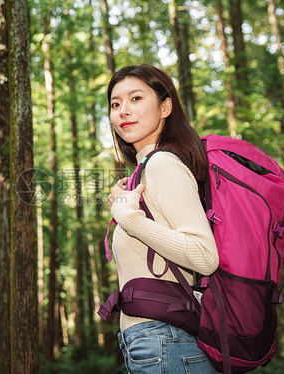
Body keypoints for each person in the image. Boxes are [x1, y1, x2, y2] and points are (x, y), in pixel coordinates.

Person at [106, 65, 219, 373]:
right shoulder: (145, 171)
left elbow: (204, 255)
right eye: (115, 104)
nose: (123, 111)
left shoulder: (163, 164)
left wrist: (131, 220)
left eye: (136, 98)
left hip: (164, 340)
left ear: (165, 106)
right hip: (153, 341)